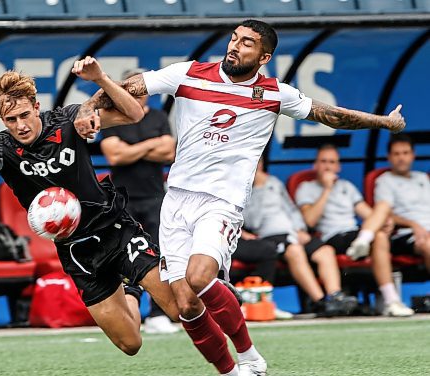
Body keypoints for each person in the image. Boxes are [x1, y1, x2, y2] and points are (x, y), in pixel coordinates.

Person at [74, 20, 406, 376]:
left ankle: (249, 355)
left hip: (222, 202)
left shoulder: (275, 93)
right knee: (185, 305)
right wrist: (88, 105)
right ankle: (232, 372)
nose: (235, 46)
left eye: (247, 43)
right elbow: (130, 87)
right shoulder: (189, 74)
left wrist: (382, 123)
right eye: (234, 39)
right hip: (176, 201)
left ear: (264, 56)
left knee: (199, 277)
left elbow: (331, 115)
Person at [0, 57, 179, 357]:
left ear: (36, 107)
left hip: (113, 228)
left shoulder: (68, 121)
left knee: (176, 307)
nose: (20, 125)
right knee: (130, 343)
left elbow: (133, 114)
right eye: (11, 120)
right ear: (3, 121)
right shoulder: (2, 148)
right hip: (77, 251)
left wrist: (100, 79)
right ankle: (131, 290)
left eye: (24, 115)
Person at [100, 68, 178, 334]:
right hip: (124, 199)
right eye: (132, 90)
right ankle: (128, 312)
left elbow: (169, 150)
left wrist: (132, 149)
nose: (139, 95)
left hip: (155, 197)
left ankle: (158, 314)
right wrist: (150, 145)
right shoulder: (112, 118)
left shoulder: (158, 117)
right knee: (124, 255)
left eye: (142, 90)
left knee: (159, 254)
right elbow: (115, 157)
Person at [295, 144, 414, 317]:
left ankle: (391, 301)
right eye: (323, 162)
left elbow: (366, 213)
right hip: (331, 237)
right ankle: (389, 296)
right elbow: (310, 220)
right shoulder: (306, 187)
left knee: (380, 229)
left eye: (332, 162)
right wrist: (327, 189)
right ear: (315, 165)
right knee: (377, 235)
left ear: (338, 167)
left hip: (354, 233)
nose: (328, 166)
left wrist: (383, 222)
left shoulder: (346, 186)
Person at [236, 158, 358, 317]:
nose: (256, 166)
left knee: (325, 250)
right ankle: (320, 302)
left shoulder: (273, 181)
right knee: (295, 250)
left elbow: (291, 208)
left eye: (259, 162)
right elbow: (253, 221)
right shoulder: (241, 189)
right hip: (270, 236)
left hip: (294, 232)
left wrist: (300, 229)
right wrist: (258, 188)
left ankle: (335, 296)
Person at [375, 133, 430, 273]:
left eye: (405, 153)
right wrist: (413, 225)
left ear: (413, 155)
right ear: (389, 157)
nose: (401, 158)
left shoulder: (423, 178)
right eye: (396, 154)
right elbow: (384, 214)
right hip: (406, 235)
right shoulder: (384, 181)